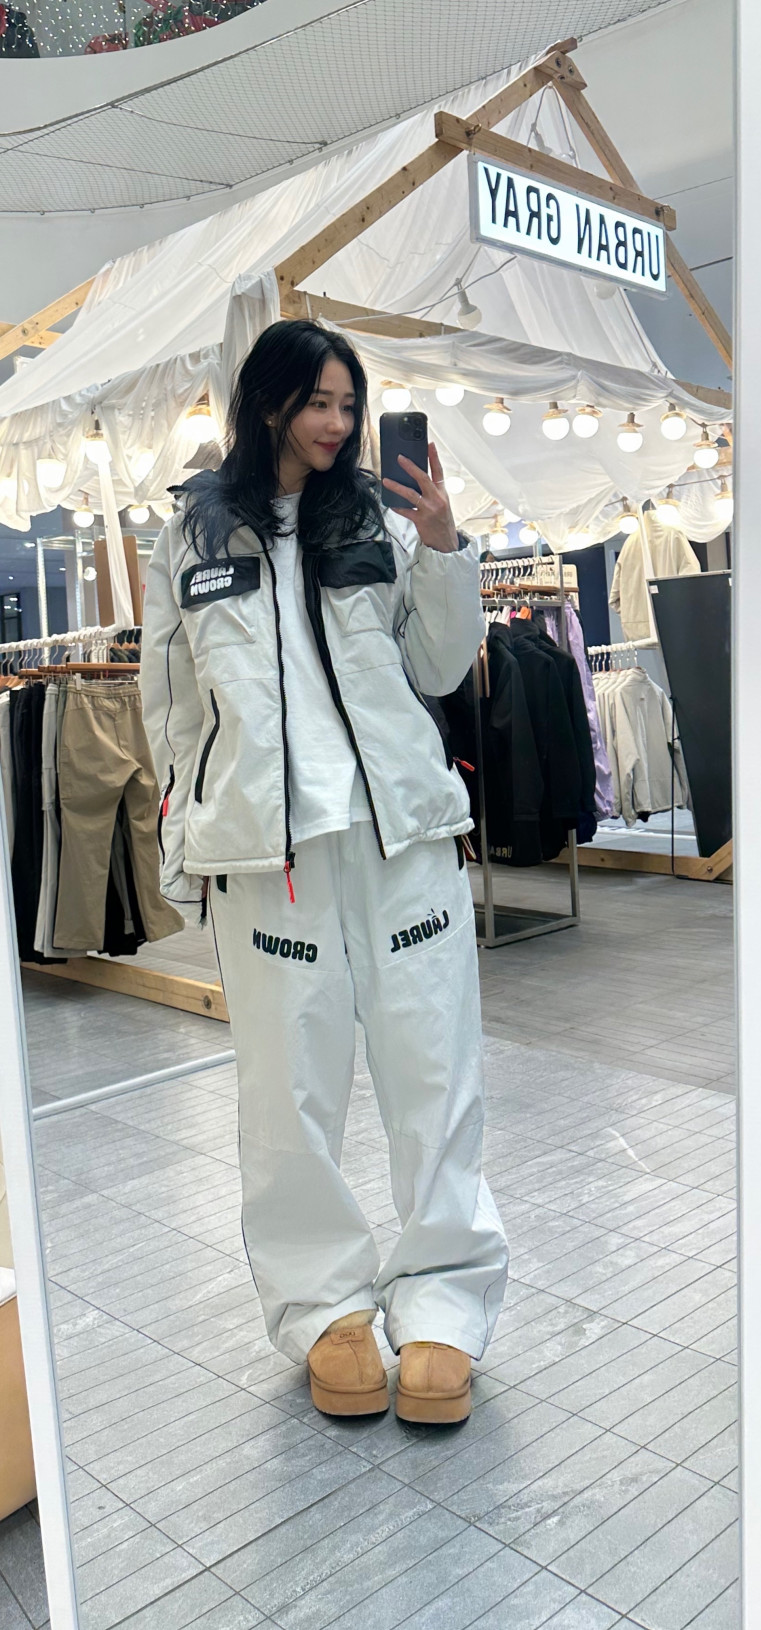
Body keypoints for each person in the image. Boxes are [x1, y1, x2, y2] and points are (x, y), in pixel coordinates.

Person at [141, 320, 508, 1424]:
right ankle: (324, 1310)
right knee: (285, 1093)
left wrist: (441, 548)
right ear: (267, 401)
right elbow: (170, 706)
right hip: (270, 858)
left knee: (433, 1075)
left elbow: (437, 665)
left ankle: (444, 1303)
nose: (337, 423)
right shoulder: (192, 534)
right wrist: (187, 845)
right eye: (317, 401)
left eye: (349, 404)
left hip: (400, 841)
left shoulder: (378, 521)